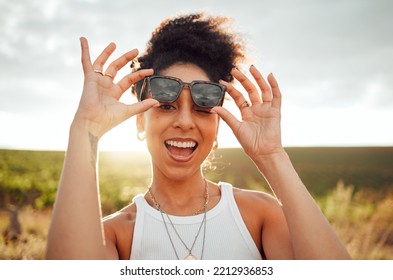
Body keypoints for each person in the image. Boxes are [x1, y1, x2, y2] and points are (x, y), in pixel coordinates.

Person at [46, 13, 351, 260]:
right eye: (166, 105)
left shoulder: (258, 217)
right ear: (140, 122)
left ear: (217, 128)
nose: (184, 121)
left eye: (203, 108)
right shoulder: (116, 236)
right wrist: (86, 129)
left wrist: (272, 157)